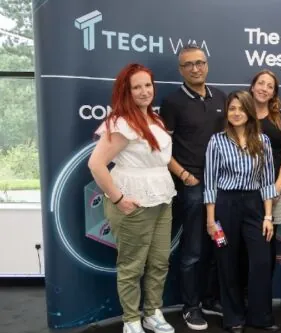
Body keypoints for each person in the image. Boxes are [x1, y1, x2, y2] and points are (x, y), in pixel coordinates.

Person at [88, 63, 177, 333]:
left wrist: (183, 174)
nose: (143, 91)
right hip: (133, 203)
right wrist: (118, 199)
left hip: (162, 198)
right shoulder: (120, 122)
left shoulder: (155, 120)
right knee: (132, 265)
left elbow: (161, 159)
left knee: (160, 261)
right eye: (136, 87)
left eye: (147, 85)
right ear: (125, 91)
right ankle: (131, 320)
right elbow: (95, 164)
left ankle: (152, 312)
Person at [204, 90, 281, 333]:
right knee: (227, 262)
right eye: (232, 109)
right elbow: (210, 183)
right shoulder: (216, 141)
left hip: (255, 204)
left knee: (260, 261)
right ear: (227, 112)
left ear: (249, 112)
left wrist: (268, 216)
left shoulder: (263, 141)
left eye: (241, 109)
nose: (236, 113)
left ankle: (261, 317)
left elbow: (268, 181)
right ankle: (233, 318)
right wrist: (210, 220)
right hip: (225, 205)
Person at [159, 44, 225, 330]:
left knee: (217, 245)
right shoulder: (172, 102)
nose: (196, 68)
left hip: (222, 184)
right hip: (193, 185)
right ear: (181, 70)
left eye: (200, 62)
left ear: (207, 65)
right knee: (193, 250)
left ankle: (210, 299)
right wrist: (184, 175)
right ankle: (191, 306)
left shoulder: (221, 97)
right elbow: (162, 148)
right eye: (189, 64)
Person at [248, 69, 281, 275]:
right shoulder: (240, 114)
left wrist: (276, 187)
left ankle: (263, 293)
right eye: (261, 83)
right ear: (252, 86)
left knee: (269, 241)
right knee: (245, 240)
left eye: (270, 86)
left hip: (276, 187)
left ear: (274, 93)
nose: (264, 89)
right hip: (245, 189)